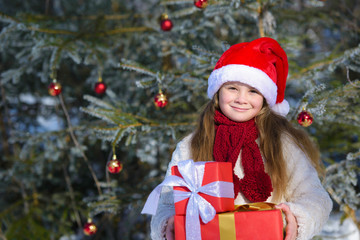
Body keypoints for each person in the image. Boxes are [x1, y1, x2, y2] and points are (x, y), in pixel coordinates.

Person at [149, 37, 332, 240]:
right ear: (218, 92)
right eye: (232, 88)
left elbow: (316, 198)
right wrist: (168, 223)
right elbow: (166, 202)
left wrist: (295, 219)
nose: (241, 99)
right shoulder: (190, 146)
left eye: (253, 91)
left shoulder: (281, 144)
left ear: (264, 99)